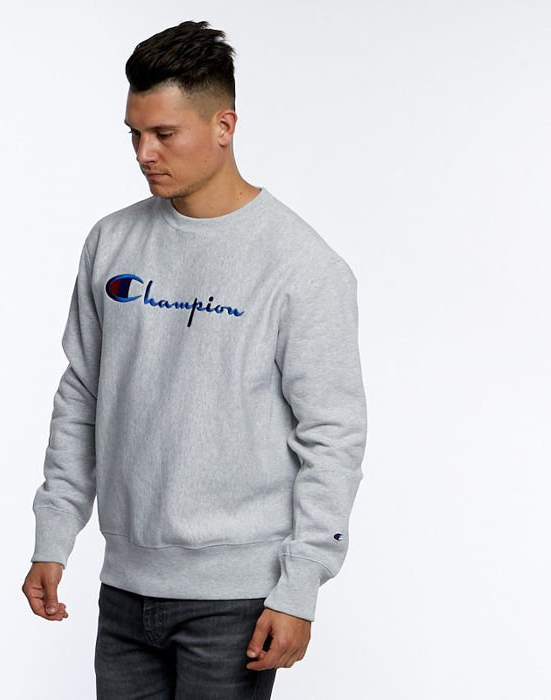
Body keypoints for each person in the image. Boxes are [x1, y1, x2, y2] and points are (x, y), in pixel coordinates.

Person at [21, 19, 367, 699]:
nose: (144, 153)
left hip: (236, 601)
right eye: (134, 134)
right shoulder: (111, 242)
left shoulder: (302, 266)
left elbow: (333, 436)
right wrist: (53, 534)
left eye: (164, 134)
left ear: (224, 125)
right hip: (124, 589)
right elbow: (82, 394)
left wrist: (300, 587)